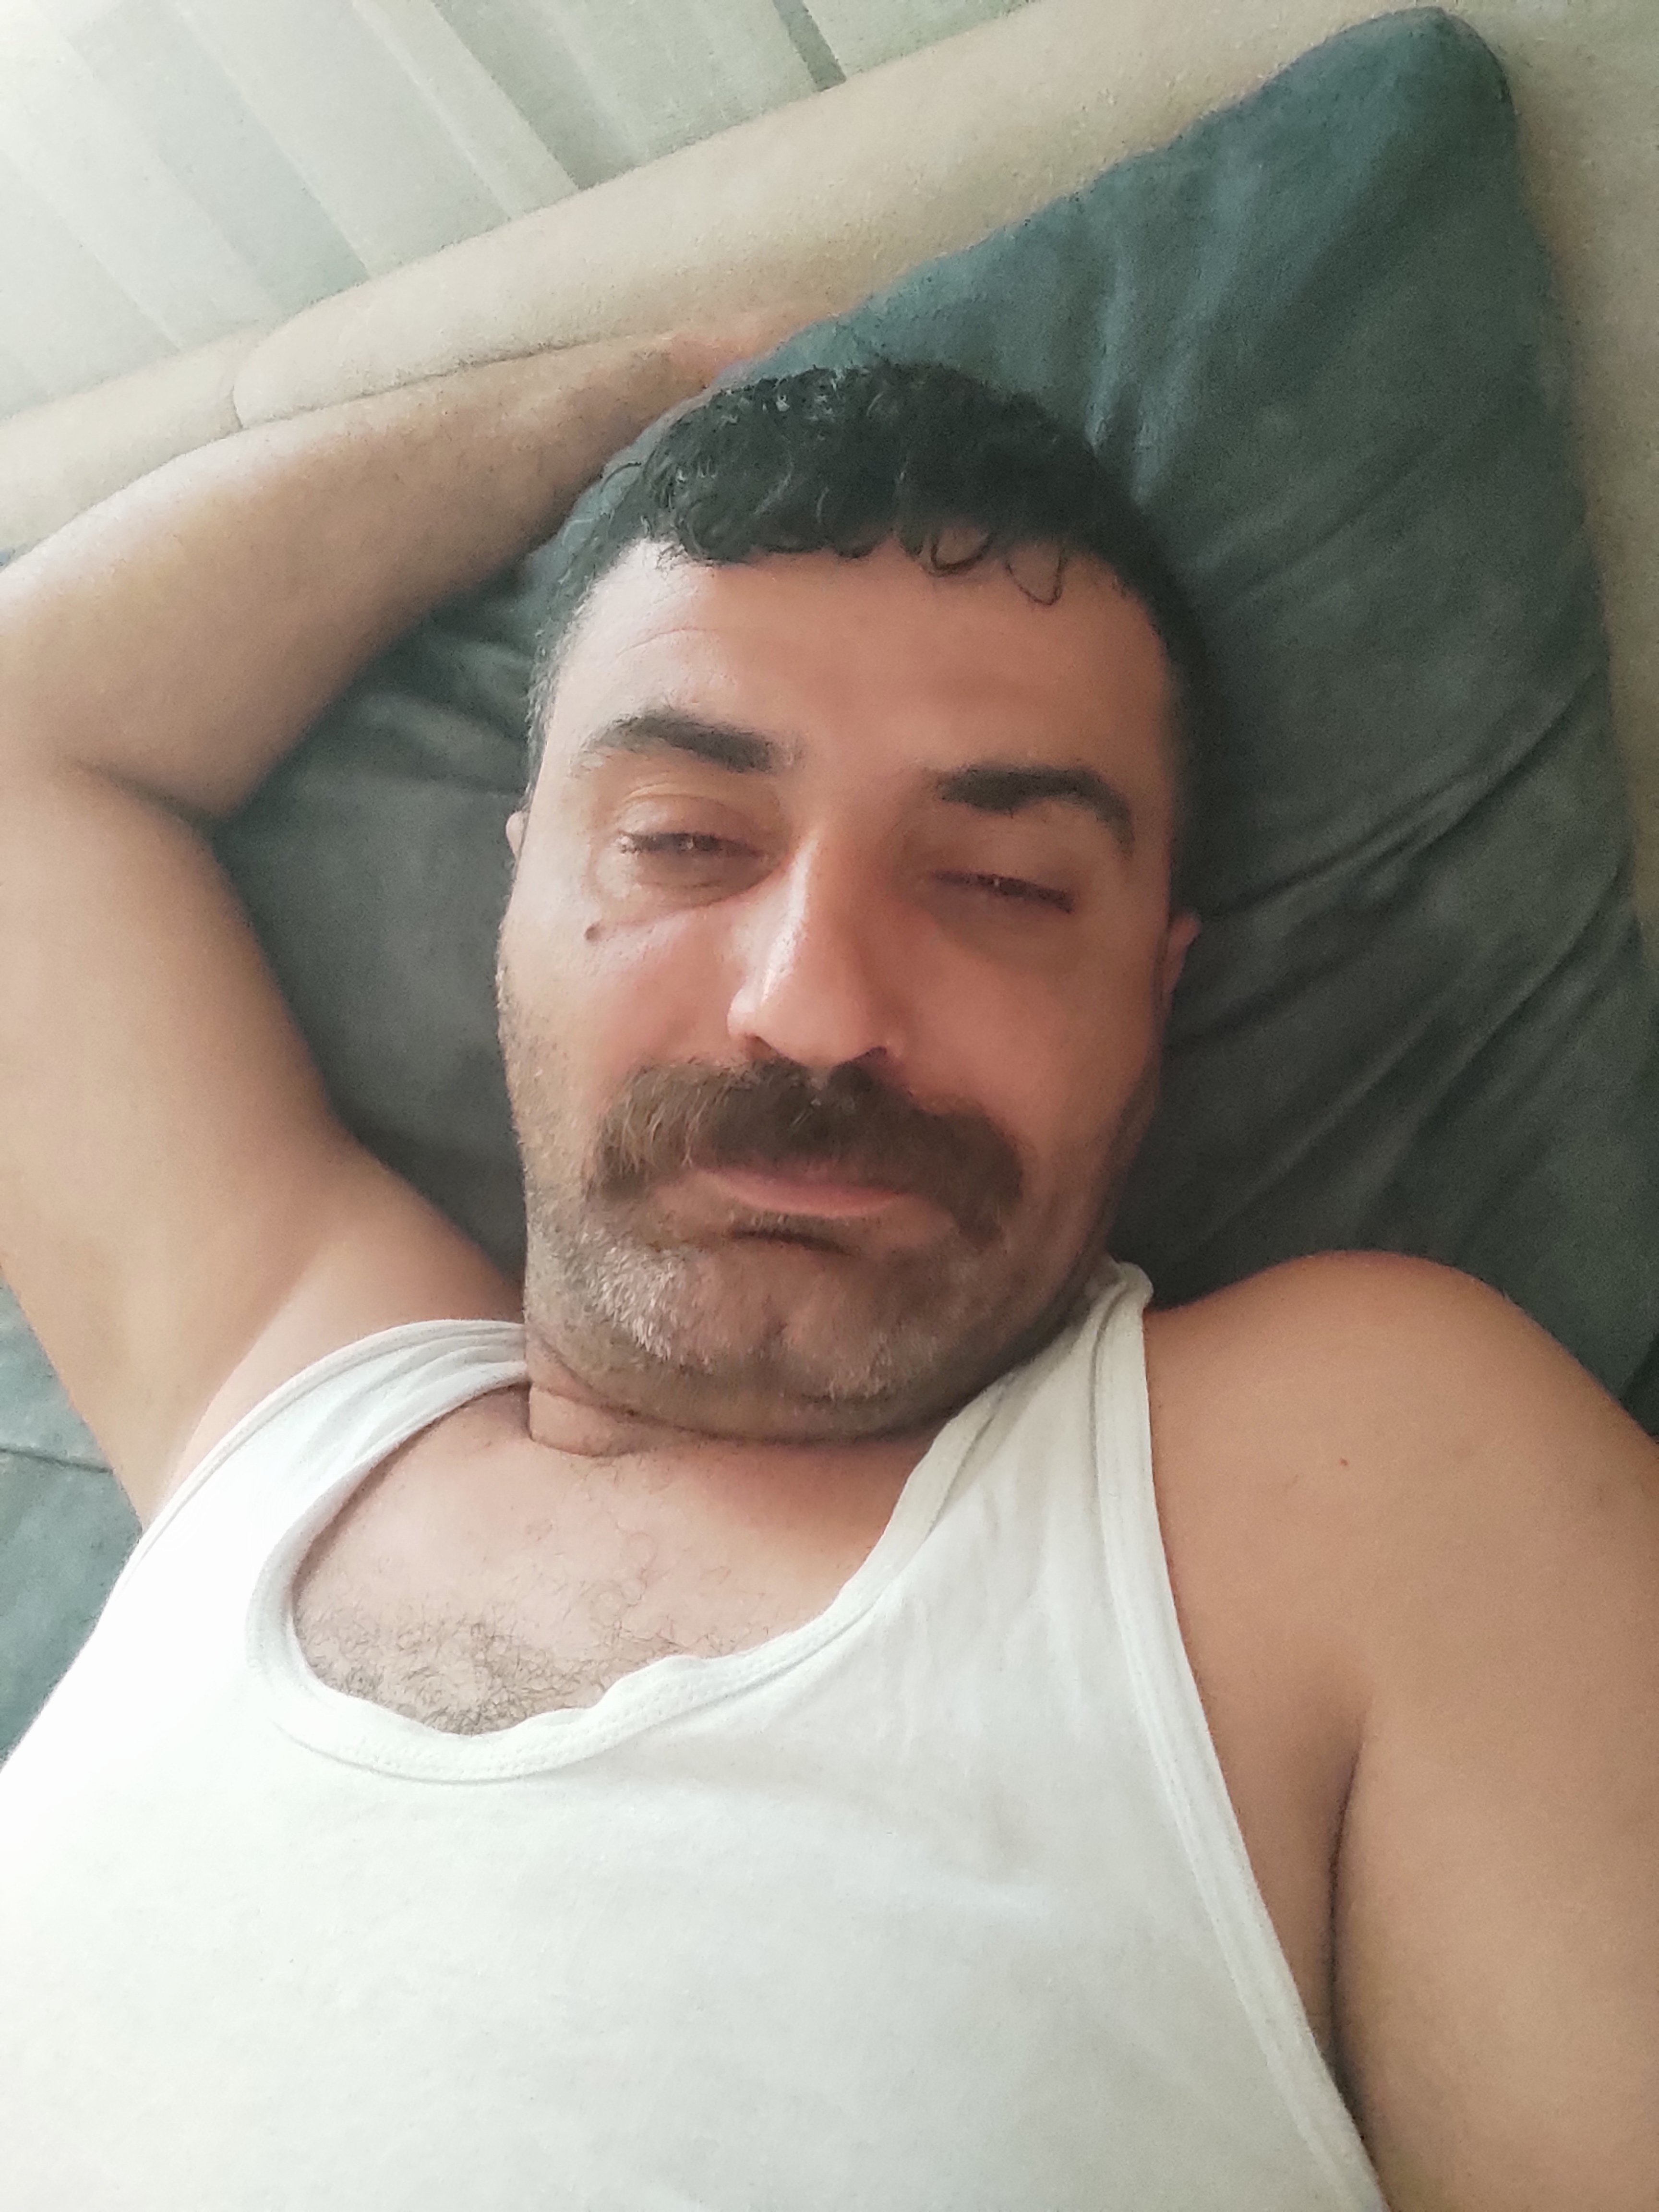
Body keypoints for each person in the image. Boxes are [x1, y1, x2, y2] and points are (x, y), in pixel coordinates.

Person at [0, 320, 1653, 2212]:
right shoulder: (285, 1390)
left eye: (1004, 884)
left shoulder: (1351, 1467)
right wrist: (646, 385)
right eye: (685, 841)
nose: (810, 1009)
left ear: (1157, 987)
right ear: (518, 895)